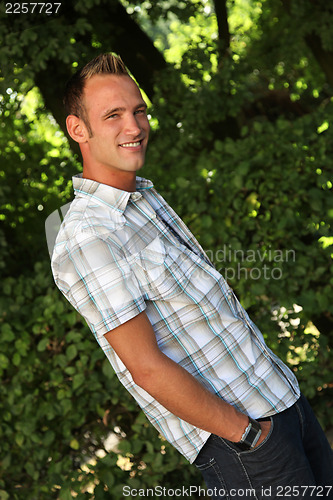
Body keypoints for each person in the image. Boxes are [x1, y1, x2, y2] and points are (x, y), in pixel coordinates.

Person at [51, 53, 333, 499]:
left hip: (284, 402)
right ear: (77, 129)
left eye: (139, 111)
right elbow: (145, 367)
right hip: (247, 444)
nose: (134, 126)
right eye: (114, 115)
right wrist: (246, 435)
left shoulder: (143, 198)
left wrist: (282, 413)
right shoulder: (88, 237)